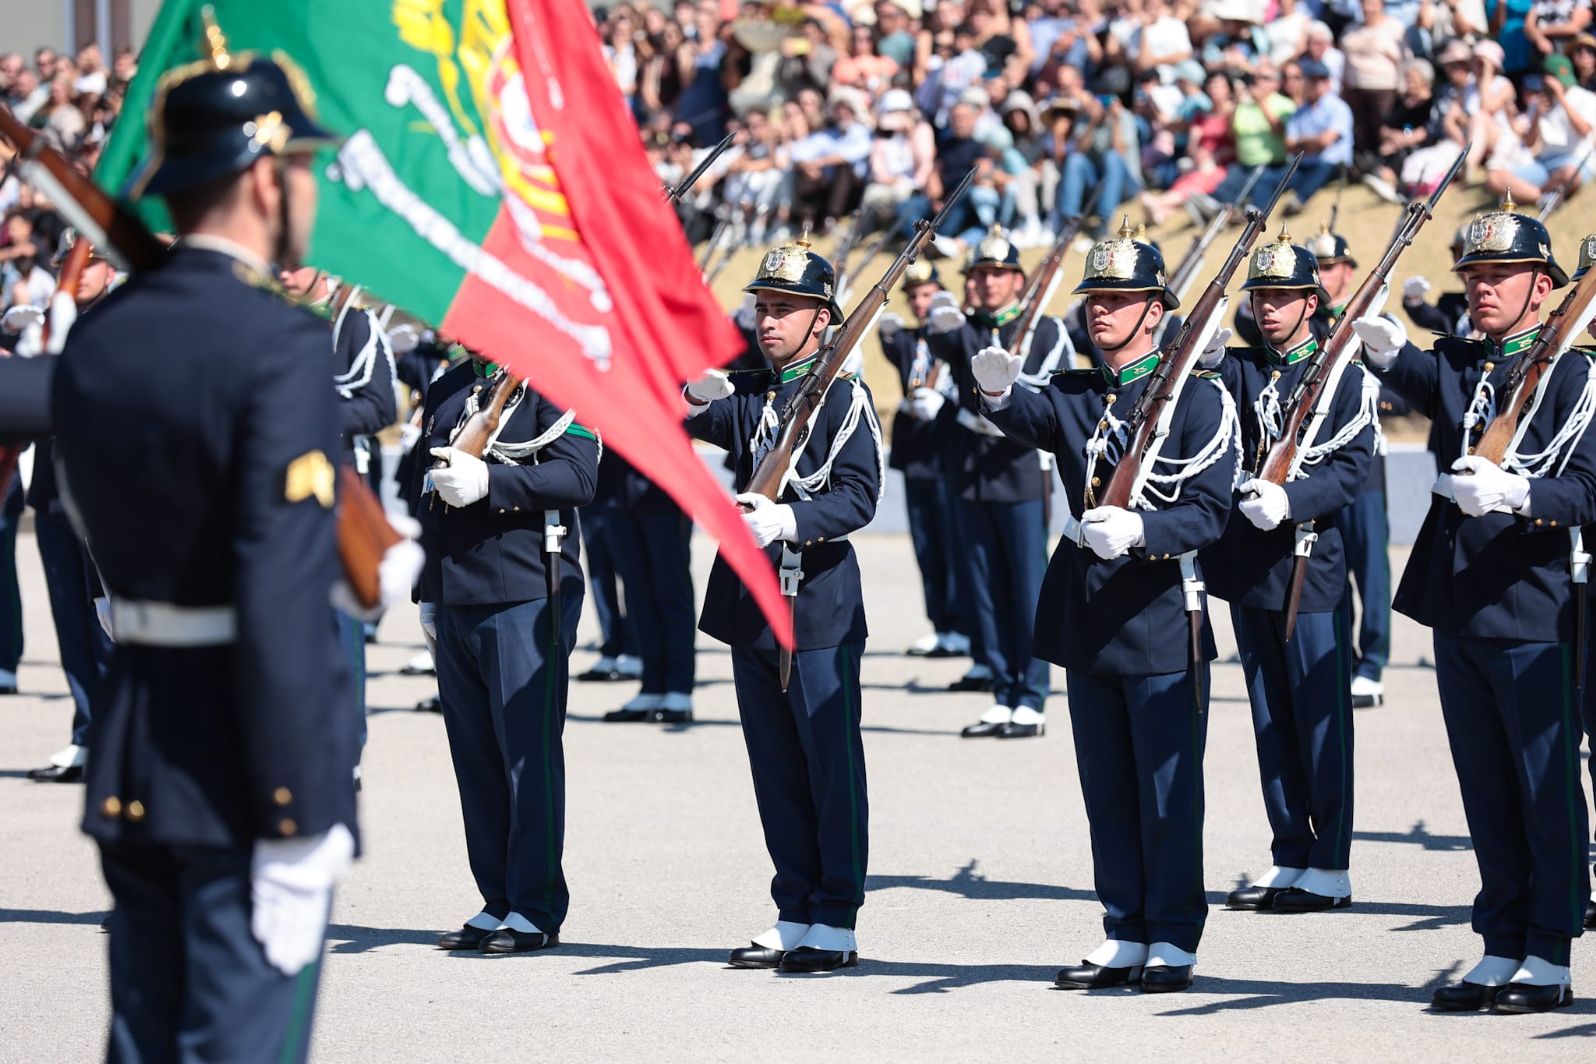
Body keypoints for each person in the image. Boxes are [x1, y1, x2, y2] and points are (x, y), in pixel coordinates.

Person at [51, 40, 362, 1061]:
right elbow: (277, 588)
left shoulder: (103, 335)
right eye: (305, 168)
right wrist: (295, 812)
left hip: (138, 744)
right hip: (242, 765)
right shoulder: (278, 344)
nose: (311, 189)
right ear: (266, 176)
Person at [973, 223, 1237, 993]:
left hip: (1158, 614)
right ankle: (1123, 928)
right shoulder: (1081, 392)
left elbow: (1210, 511)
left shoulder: (1198, 400)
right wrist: (994, 392)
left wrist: (1145, 530)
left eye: (1119, 300)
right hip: (1089, 616)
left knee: (1165, 789)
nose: (1101, 313)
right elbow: (1031, 416)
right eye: (1096, 300)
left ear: (1157, 311)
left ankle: (1174, 935)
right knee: (1108, 790)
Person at [1354, 202, 1594, 1014]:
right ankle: (1501, 941)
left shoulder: (1577, 375)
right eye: (1474, 276)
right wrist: (1387, 351)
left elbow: (1590, 490)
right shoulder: (1468, 359)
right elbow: (1431, 375)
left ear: (1543, 286)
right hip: (1461, 604)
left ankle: (1551, 951)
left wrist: (1522, 492)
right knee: (1485, 788)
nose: (1482, 289)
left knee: (1544, 786)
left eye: (1499, 277)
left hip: (1534, 606)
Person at [684, 238, 879, 973]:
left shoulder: (844, 397)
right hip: (751, 599)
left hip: (816, 600)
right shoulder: (751, 394)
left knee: (829, 764)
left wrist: (792, 520)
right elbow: (677, 415)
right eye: (763, 308)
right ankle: (794, 905)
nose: (769, 322)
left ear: (822, 320)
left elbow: (860, 493)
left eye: (786, 310)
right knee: (774, 765)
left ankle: (836, 914)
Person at [1203, 230, 1374, 915]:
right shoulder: (1243, 371)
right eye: (1261, 296)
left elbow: (1352, 467)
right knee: (1271, 716)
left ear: (1312, 301)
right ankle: (1289, 852)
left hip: (1310, 564)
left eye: (1282, 296)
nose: (1269, 307)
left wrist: (1293, 498)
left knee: (1320, 716)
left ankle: (1330, 861)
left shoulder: (1342, 374)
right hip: (1250, 564)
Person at [417, 343, 599, 953]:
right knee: (476, 761)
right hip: (457, 590)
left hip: (526, 592)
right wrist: (428, 592)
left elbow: (578, 475)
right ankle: (497, 898)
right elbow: (432, 498)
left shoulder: (553, 378)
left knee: (526, 756)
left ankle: (536, 904)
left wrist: (492, 480)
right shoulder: (450, 386)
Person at [926, 228, 1063, 737]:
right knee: (981, 586)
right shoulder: (964, 330)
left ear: (1018, 280)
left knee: (1026, 586)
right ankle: (1002, 690)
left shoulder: (1045, 329)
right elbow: (938, 338)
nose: (985, 283)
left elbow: (1053, 390)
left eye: (995, 274)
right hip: (971, 469)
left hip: (1019, 468)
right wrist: (942, 310)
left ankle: (1031, 694)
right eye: (977, 274)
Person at [23, 233, 117, 784]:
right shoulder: (55, 322)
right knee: (71, 624)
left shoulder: (118, 324)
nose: (78, 272)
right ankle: (86, 731)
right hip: (55, 491)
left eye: (90, 263)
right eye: (70, 264)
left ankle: (114, 738)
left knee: (107, 621)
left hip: (99, 493)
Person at [1308, 227, 1403, 710]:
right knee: (1330, 566)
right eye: (1316, 268)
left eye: (1328, 267)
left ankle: (1373, 662)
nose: (1323, 277)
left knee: (1369, 566)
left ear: (1347, 270)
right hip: (1315, 463)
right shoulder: (1310, 322)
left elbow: (1402, 392)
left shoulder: (1373, 322)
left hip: (1363, 458)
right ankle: (1340, 659)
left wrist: (1359, 400)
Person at [878, 259, 967, 658]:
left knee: (954, 542)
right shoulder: (909, 342)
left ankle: (963, 624)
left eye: (927, 295)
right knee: (927, 544)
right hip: (918, 453)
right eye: (914, 296)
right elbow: (885, 336)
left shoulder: (955, 337)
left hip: (949, 451)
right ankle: (941, 623)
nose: (919, 302)